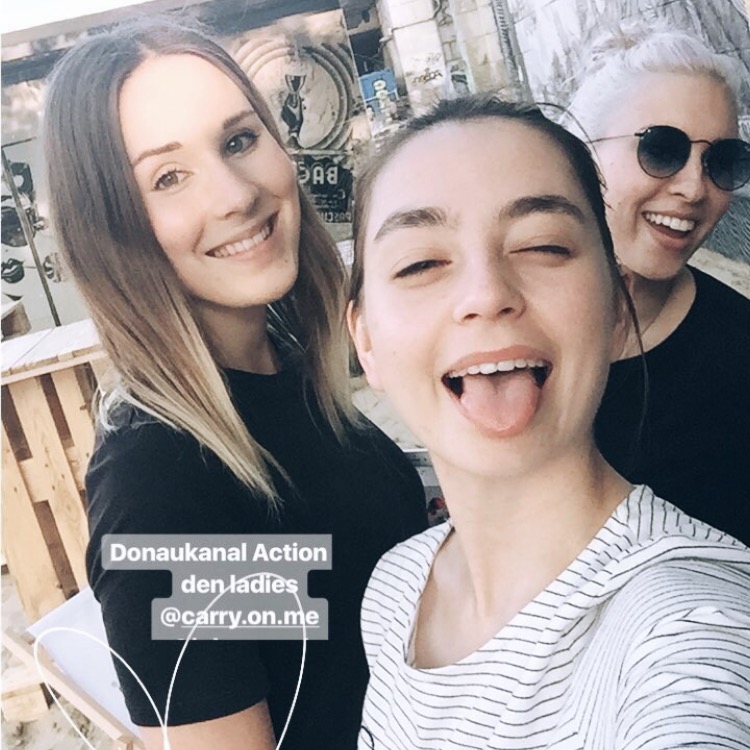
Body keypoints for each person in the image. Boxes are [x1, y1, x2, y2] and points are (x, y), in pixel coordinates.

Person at [42, 18, 427, 750]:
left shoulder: (282, 367)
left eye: (240, 140)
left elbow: (333, 647)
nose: (234, 195)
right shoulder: (167, 483)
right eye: (167, 177)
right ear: (108, 229)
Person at [347, 95, 750, 749]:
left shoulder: (691, 624)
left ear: (617, 306)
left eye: (542, 245)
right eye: (420, 263)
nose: (486, 294)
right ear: (364, 340)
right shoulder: (397, 588)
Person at [565, 25, 750, 545]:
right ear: (582, 154)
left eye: (722, 162)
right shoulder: (506, 326)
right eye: (662, 149)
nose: (693, 188)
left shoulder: (738, 358)